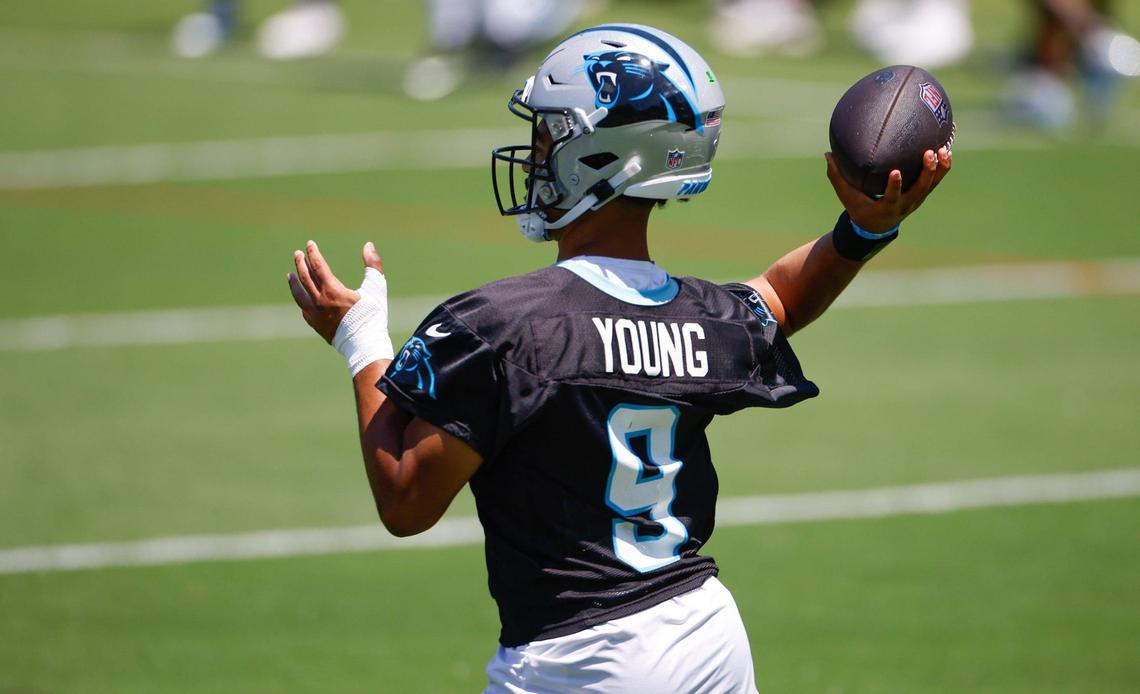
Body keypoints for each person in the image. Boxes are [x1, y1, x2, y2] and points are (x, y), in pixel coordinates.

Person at [287, 24, 951, 692]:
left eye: (550, 138)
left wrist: (360, 339)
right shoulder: (699, 316)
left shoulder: (503, 326)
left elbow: (405, 499)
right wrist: (865, 229)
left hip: (581, 658)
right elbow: (780, 299)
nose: (536, 156)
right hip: (707, 640)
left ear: (599, 156)